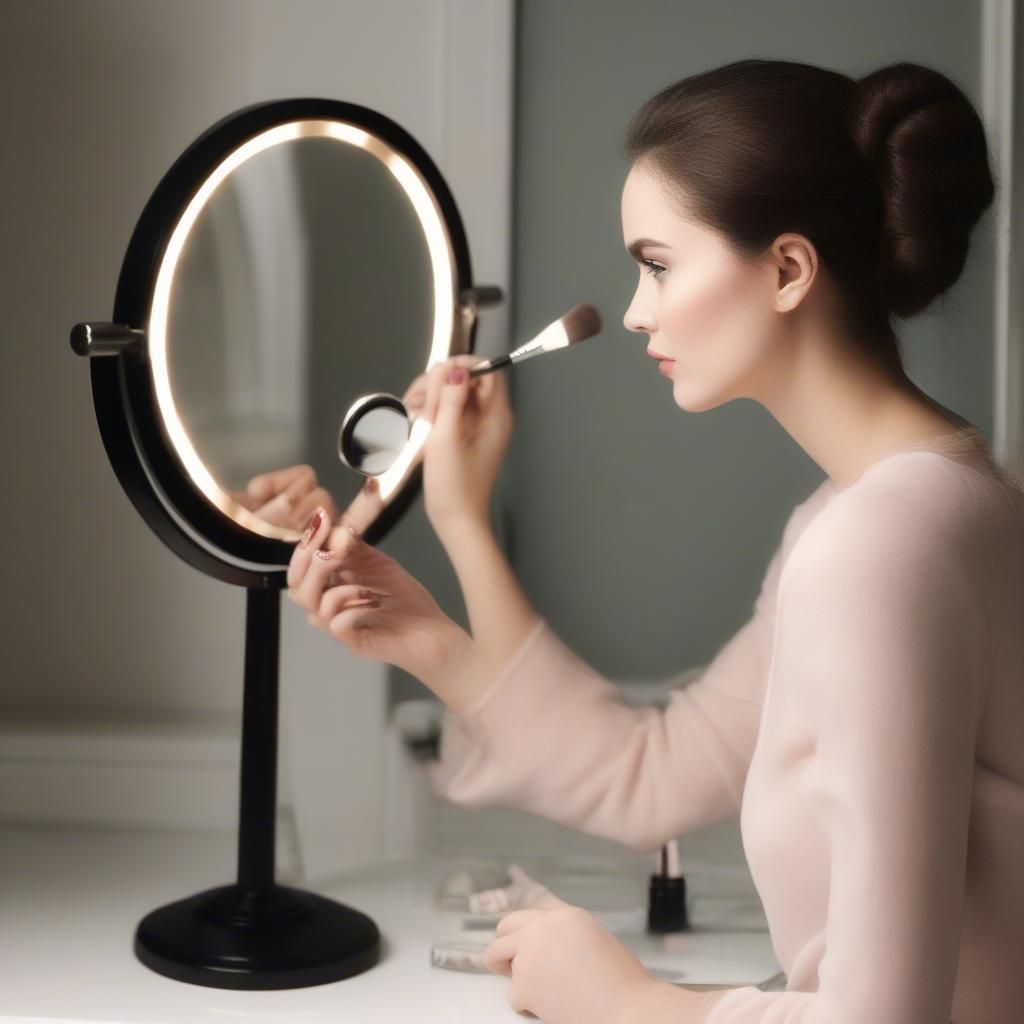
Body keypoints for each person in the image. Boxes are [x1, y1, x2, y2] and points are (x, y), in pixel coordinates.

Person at [286, 58, 1024, 1024]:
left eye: (658, 264)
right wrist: (443, 584)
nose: (635, 309)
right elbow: (656, 774)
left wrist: (628, 1002)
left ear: (790, 269)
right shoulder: (915, 511)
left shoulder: (881, 547)